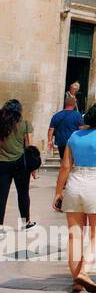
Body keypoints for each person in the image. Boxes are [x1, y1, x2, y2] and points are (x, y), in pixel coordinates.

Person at [52, 99, 96, 293]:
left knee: (75, 235)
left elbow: (65, 166)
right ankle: (85, 271)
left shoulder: (74, 136)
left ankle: (77, 281)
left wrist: (58, 191)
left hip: (74, 182)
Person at [0, 99, 35, 233]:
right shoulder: (25, 125)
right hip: (21, 164)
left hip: (2, 163)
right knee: (23, 193)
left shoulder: (1, 124)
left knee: (1, 195)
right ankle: (25, 222)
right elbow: (29, 146)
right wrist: (33, 168)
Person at [46, 95, 83, 160]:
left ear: (65, 104)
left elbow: (51, 130)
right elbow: (81, 129)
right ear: (74, 104)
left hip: (61, 142)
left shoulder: (56, 115)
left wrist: (50, 141)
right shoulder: (77, 115)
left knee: (63, 159)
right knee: (72, 160)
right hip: (73, 142)